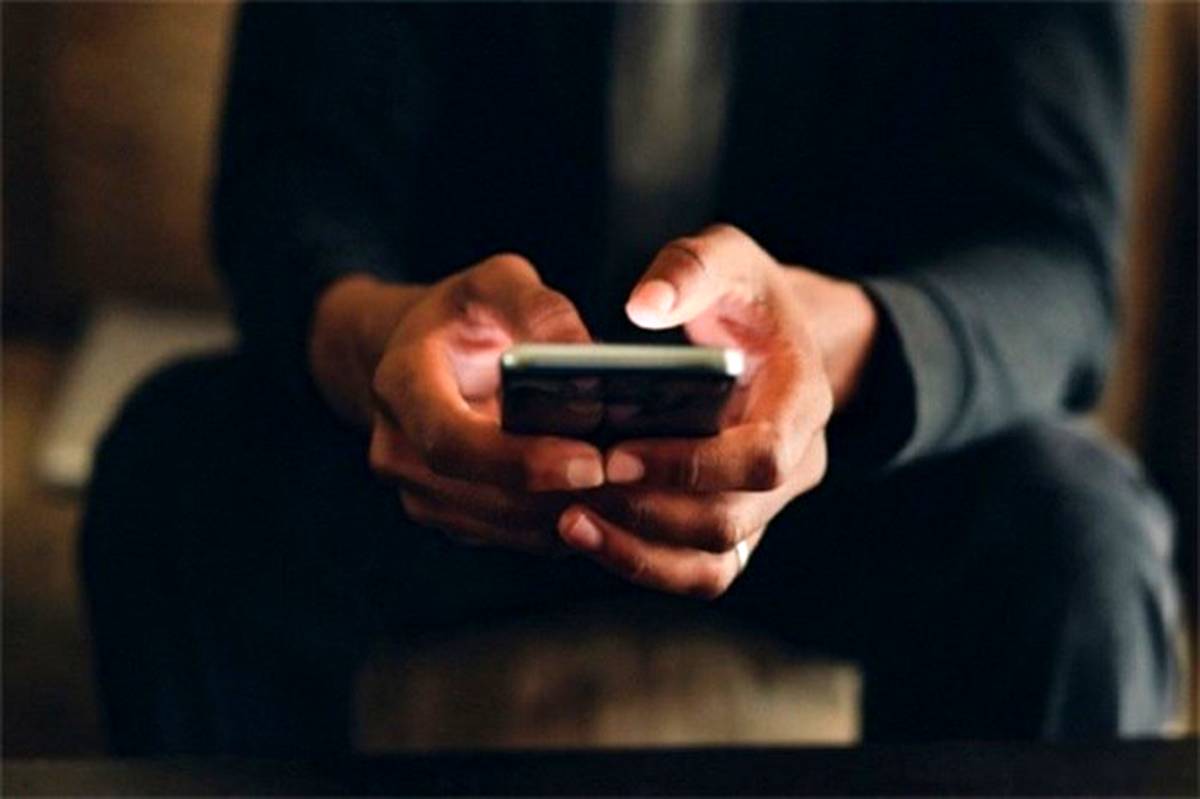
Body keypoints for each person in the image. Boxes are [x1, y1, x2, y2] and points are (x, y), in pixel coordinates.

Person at [82, 3, 1180, 754]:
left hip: (850, 457)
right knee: (175, 480)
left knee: (1078, 547)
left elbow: (1056, 265)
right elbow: (292, 187)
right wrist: (381, 341)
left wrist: (834, 345)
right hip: (460, 434)